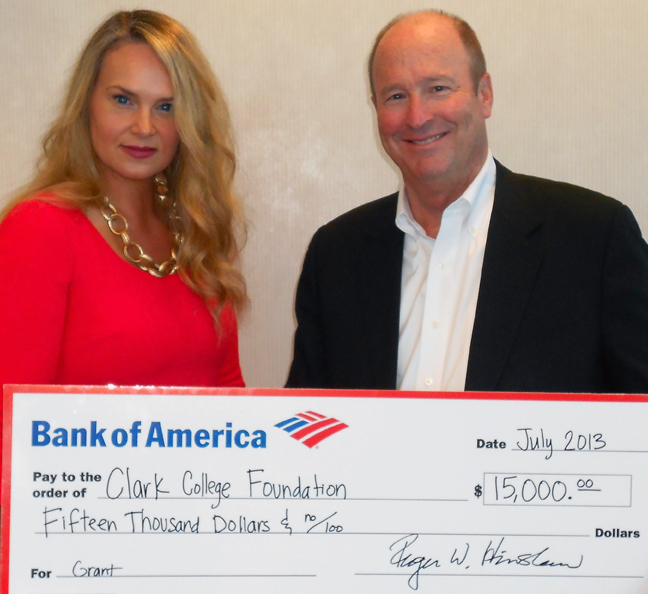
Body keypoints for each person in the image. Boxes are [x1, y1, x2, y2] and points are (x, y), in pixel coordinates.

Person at [286, 9, 648, 393]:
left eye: (438, 88)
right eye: (395, 96)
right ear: (376, 109)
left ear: (485, 94)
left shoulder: (592, 239)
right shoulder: (335, 256)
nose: (417, 116)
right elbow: (307, 428)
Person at [0, 10, 247, 394]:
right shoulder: (39, 228)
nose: (145, 127)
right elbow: (12, 417)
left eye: (166, 107)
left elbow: (228, 390)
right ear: (86, 105)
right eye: (123, 100)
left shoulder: (199, 227)